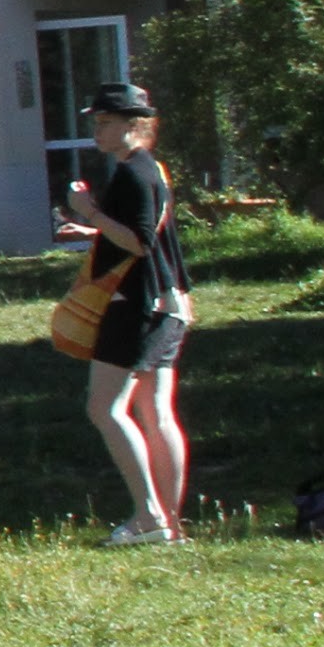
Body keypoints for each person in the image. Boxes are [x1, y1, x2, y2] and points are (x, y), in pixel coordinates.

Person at [64, 82, 196, 548]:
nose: (97, 131)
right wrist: (95, 228)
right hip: (169, 302)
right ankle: (169, 524)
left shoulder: (132, 173)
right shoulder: (150, 168)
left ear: (135, 125)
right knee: (155, 412)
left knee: (104, 407)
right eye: (96, 122)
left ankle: (148, 516)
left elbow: (139, 242)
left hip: (136, 304)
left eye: (105, 122)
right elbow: (147, 235)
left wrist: (90, 213)